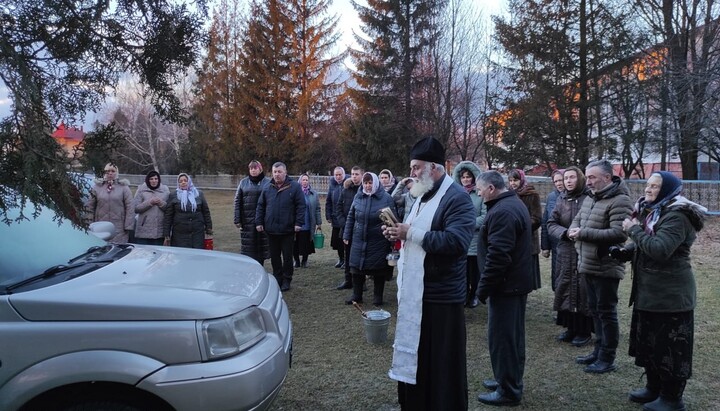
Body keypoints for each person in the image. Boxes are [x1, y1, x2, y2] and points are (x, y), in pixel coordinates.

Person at [384, 137, 474, 411]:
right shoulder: (422, 194)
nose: (411, 173)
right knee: (418, 359)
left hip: (441, 296)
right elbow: (415, 234)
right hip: (416, 291)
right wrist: (396, 232)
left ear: (434, 168)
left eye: (415, 167)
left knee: (441, 363)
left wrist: (410, 232)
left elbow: (457, 243)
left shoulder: (457, 199)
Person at [617, 172, 706, 411]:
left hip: (671, 296)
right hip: (650, 292)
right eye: (647, 185)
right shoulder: (655, 212)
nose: (648, 190)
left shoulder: (677, 216)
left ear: (668, 190)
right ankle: (653, 388)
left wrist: (633, 230)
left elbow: (660, 249)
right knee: (651, 344)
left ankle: (672, 399)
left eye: (655, 187)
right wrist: (625, 251)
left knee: (670, 349)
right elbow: (646, 243)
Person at [475, 170, 534, 407]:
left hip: (506, 286)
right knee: (511, 337)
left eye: (480, 190)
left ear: (490, 188)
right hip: (512, 285)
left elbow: (499, 256)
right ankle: (506, 378)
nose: (478, 194)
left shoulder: (503, 211)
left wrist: (483, 288)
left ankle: (509, 390)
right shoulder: (509, 203)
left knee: (504, 339)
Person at [568, 159, 632, 374]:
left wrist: (583, 233)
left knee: (606, 313)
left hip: (606, 265)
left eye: (593, 177)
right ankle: (597, 351)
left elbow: (620, 233)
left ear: (607, 177)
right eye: (588, 177)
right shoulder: (591, 197)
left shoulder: (620, 200)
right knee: (595, 311)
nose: (589, 182)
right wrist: (573, 229)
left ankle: (607, 357)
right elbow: (578, 220)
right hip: (587, 263)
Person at [547, 167, 593, 347]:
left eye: (572, 177)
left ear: (580, 178)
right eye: (565, 178)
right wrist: (565, 233)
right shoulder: (561, 199)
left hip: (584, 249)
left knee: (583, 290)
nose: (568, 181)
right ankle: (570, 327)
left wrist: (582, 233)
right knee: (566, 287)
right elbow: (551, 223)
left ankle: (584, 330)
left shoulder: (589, 197)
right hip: (566, 250)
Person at [343, 172, 397, 306]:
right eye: (366, 183)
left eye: (370, 183)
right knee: (356, 269)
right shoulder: (358, 196)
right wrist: (346, 235)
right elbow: (351, 217)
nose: (367, 186)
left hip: (378, 240)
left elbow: (392, 220)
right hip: (358, 238)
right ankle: (357, 295)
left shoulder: (386, 198)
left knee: (378, 269)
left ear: (376, 183)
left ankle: (378, 297)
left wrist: (391, 239)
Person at [256, 162, 306, 291]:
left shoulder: (294, 187)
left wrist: (298, 223)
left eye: (279, 171)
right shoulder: (267, 187)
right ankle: (277, 278)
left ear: (285, 172)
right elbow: (261, 206)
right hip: (271, 230)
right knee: (275, 257)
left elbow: (301, 206)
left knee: (287, 257)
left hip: (287, 229)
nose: (277, 174)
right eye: (275, 172)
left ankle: (287, 279)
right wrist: (259, 222)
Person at [451, 161, 486, 308]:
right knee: (461, 273)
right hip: (459, 239)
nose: (466, 179)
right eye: (463, 177)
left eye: (468, 177)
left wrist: (468, 225)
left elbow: (485, 216)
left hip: (474, 238)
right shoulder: (456, 194)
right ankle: (463, 295)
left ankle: (473, 296)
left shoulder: (479, 195)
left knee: (474, 273)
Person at [508, 169, 542, 290]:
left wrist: (521, 226)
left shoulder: (532, 194)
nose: (513, 183)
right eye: (510, 180)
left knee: (527, 271)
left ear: (521, 180)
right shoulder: (509, 195)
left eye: (515, 180)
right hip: (513, 239)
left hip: (528, 239)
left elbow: (537, 218)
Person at [85, 163, 134, 243]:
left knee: (118, 251)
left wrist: (128, 226)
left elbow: (130, 207)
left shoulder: (124, 187)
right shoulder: (97, 187)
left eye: (113, 171)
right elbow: (89, 206)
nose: (110, 173)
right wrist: (89, 223)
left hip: (119, 227)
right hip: (100, 225)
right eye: (108, 171)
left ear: (116, 173)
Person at [233, 160, 271, 265]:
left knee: (262, 247)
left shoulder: (268, 182)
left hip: (263, 220)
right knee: (249, 247)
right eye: (251, 168)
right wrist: (237, 219)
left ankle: (261, 266)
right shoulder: (243, 183)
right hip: (247, 221)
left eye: (255, 168)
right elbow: (237, 201)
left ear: (260, 169)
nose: (253, 170)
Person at [163, 173, 213, 249]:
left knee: (197, 254)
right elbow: (168, 215)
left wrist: (208, 227)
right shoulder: (173, 195)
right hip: (179, 233)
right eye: (180, 181)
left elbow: (205, 211)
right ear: (178, 183)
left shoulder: (199, 194)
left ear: (189, 181)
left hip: (197, 232)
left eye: (185, 180)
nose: (183, 182)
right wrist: (166, 233)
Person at [335, 166, 364, 290]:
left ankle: (361, 283)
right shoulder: (345, 190)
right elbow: (338, 208)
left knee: (360, 257)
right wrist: (344, 224)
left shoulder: (365, 190)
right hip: (347, 229)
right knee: (348, 257)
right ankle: (348, 280)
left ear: (362, 175)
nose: (354, 176)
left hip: (360, 230)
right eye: (352, 174)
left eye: (357, 174)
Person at [541, 169, 566, 291]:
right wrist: (545, 246)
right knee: (557, 275)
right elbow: (546, 222)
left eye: (561, 180)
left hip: (570, 241)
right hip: (555, 243)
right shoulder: (551, 197)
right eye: (555, 181)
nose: (558, 183)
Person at [132, 170, 170, 245]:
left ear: (159, 180)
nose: (154, 181)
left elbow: (169, 209)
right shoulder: (141, 190)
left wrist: (161, 203)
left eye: (156, 179)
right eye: (151, 179)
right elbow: (135, 208)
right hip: (144, 230)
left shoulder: (165, 192)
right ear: (147, 180)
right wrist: (149, 203)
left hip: (159, 231)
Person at [293, 173, 322, 268]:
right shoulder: (295, 193)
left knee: (306, 243)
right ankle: (296, 261)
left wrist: (319, 222)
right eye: (303, 180)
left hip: (308, 222)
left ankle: (304, 261)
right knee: (295, 243)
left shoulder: (313, 194)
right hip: (297, 222)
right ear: (300, 181)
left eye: (306, 180)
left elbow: (317, 208)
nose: (305, 181)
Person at [325, 166, 348, 268]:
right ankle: (341, 259)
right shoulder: (332, 185)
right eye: (336, 175)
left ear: (344, 174)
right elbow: (328, 201)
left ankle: (347, 260)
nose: (338, 177)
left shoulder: (348, 185)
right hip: (335, 218)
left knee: (346, 240)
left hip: (346, 217)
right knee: (337, 241)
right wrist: (328, 215)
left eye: (340, 174)